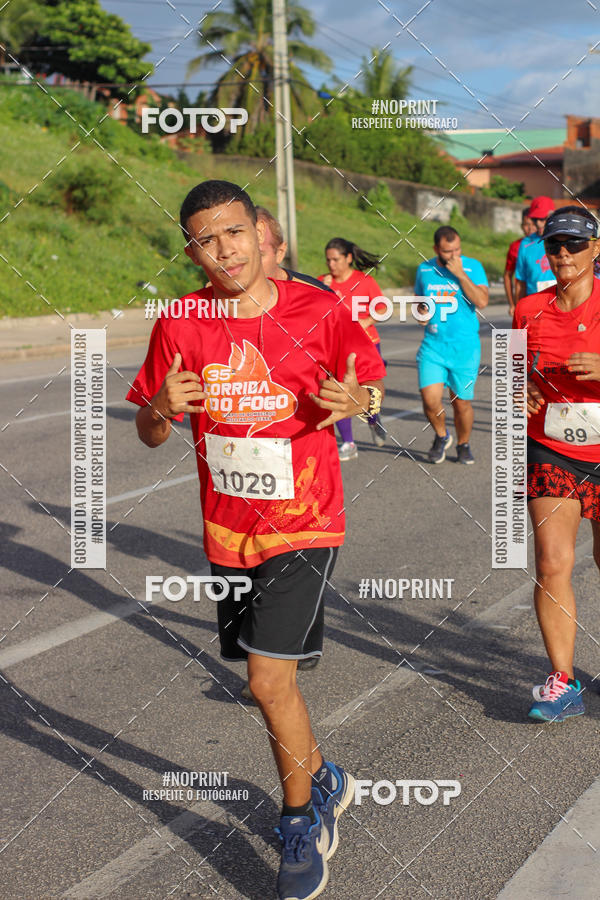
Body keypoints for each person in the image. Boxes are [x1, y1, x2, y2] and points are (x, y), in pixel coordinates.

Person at [127, 180, 386, 899]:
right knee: (275, 684)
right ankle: (323, 776)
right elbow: (150, 431)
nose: (224, 249)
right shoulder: (179, 322)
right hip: (228, 531)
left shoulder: (319, 309)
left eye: (234, 232)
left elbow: (369, 387)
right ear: (192, 252)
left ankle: (300, 822)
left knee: (267, 681)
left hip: (308, 518)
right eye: (206, 239)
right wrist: (160, 408)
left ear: (259, 233)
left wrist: (359, 401)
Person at [515, 206, 600, 723]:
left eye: (574, 244)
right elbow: (513, 374)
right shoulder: (529, 309)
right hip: (553, 446)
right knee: (551, 562)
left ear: (596, 249)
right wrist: (519, 389)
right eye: (554, 245)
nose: (563, 253)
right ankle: (563, 681)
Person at [414, 225, 489, 465]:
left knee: (461, 403)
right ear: (436, 249)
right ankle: (442, 435)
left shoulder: (473, 267)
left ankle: (463, 444)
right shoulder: (424, 269)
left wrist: (461, 275)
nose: (454, 255)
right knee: (430, 399)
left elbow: (482, 301)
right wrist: (421, 313)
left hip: (465, 348)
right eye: (448, 251)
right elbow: (418, 303)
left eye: (457, 249)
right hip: (433, 346)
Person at [318, 238, 387, 458]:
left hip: (366, 346)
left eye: (336, 260)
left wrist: (364, 322)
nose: (331, 264)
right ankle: (349, 443)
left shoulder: (364, 281)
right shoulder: (322, 282)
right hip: (335, 349)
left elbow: (382, 309)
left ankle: (373, 420)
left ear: (348, 258)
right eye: (328, 260)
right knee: (338, 393)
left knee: (366, 393)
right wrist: (324, 290)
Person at [514, 196, 556, 302]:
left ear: (553, 216)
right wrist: (518, 307)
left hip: (560, 303)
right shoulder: (526, 244)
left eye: (542, 219)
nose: (538, 224)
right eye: (535, 219)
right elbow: (521, 282)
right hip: (534, 303)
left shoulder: (564, 239)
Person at [503, 209, 535, 316]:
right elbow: (507, 275)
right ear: (521, 226)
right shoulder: (516, 246)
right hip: (524, 300)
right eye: (526, 224)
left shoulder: (547, 243)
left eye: (533, 224)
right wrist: (512, 304)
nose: (530, 228)